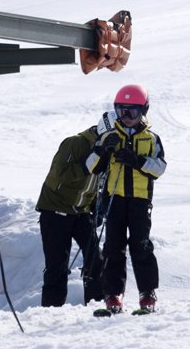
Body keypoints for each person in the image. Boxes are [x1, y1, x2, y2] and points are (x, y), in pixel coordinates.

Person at [85, 85, 166, 313]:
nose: (127, 117)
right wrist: (102, 151)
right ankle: (113, 295)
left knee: (141, 246)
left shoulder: (151, 139)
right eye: (122, 111)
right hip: (115, 200)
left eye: (132, 112)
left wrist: (137, 161)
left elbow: (159, 168)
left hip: (140, 201)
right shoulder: (110, 136)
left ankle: (147, 293)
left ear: (144, 111)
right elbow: (90, 167)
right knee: (113, 248)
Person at [35, 111, 118, 307]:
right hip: (55, 212)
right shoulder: (75, 143)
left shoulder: (107, 153)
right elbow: (59, 178)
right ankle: (51, 312)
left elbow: (96, 184)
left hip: (80, 213)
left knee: (96, 261)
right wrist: (94, 157)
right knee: (57, 266)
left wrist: (94, 208)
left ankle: (96, 305)